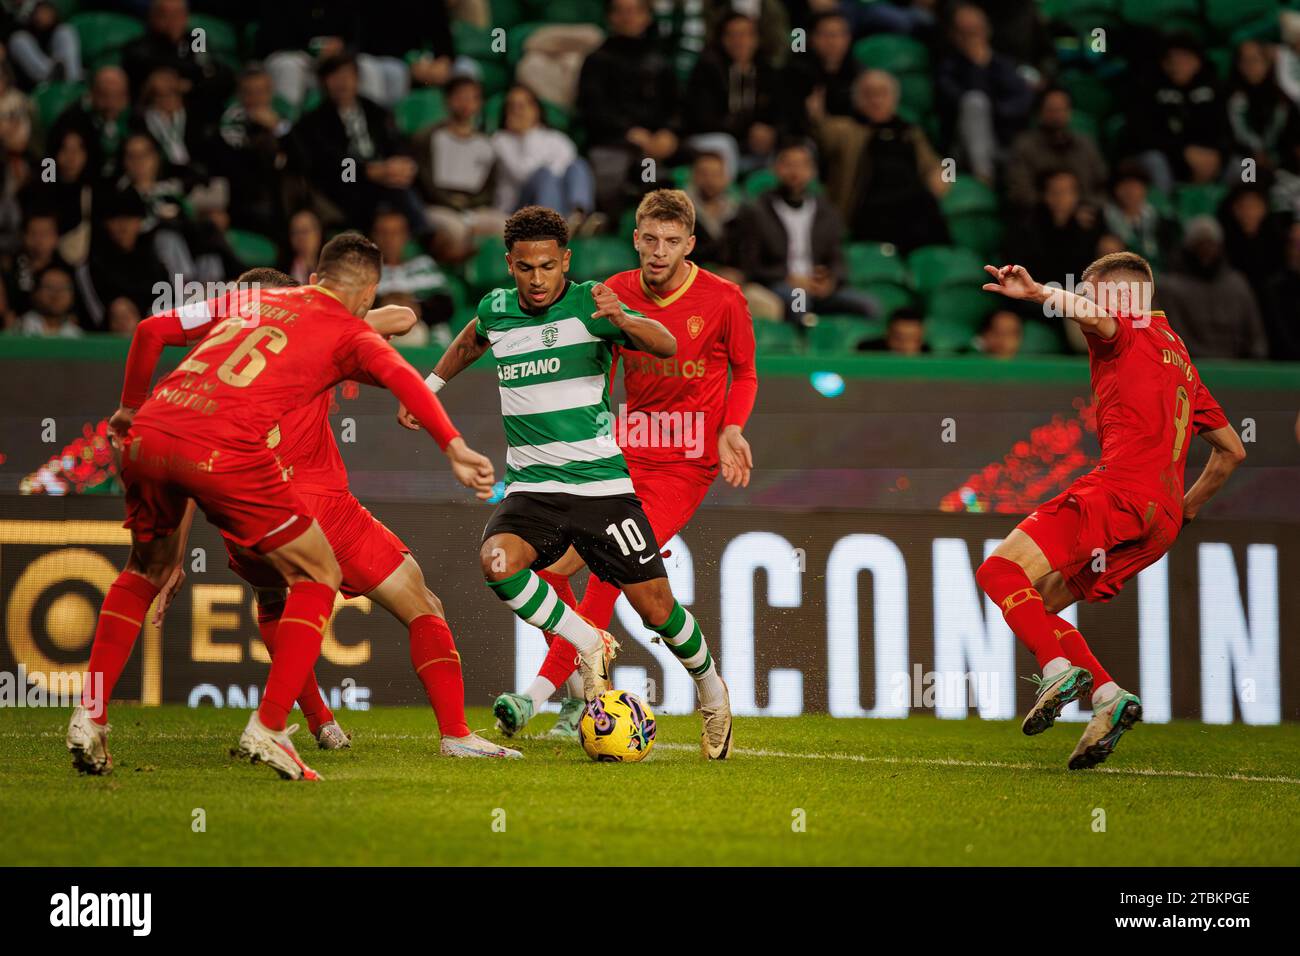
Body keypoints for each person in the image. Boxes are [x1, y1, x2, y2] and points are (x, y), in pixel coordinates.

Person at [65, 233, 496, 780]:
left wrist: (129, 408)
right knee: (329, 577)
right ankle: (283, 728)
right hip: (269, 479)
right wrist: (453, 445)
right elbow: (399, 355)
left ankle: (92, 713)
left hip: (156, 432)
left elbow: (150, 330)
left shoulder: (247, 307)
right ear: (359, 291)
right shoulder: (335, 330)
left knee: (154, 574)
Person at [398, 205, 737, 758]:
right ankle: (587, 640)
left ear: (566, 263)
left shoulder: (591, 304)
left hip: (602, 490)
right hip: (533, 491)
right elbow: (470, 340)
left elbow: (666, 344)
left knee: (656, 609)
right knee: (497, 563)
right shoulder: (497, 310)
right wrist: (429, 385)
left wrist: (624, 318)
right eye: (526, 267)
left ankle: (711, 690)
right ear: (509, 264)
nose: (537, 279)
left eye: (548, 267)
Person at [978, 251, 1245, 768]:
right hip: (1160, 520)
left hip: (1120, 490)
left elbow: (1092, 315)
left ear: (1122, 295)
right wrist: (1180, 514)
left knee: (999, 570)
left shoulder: (1124, 323)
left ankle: (1056, 670)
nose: (1088, 301)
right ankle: (1106, 695)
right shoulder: (1180, 356)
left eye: (1092, 290)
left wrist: (1037, 295)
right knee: (1043, 602)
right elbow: (1232, 451)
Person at [736, 140, 877, 325]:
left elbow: (837, 258)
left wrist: (830, 280)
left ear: (812, 171)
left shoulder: (827, 212)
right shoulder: (758, 212)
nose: (795, 172)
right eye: (788, 164)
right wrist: (787, 277)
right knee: (799, 304)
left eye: (802, 165)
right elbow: (750, 264)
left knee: (870, 307)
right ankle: (804, 346)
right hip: (783, 284)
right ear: (776, 169)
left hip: (819, 287)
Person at [1157, 216, 1269, 360]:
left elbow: (1256, 338)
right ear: (1188, 248)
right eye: (1200, 244)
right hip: (1189, 368)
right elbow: (1171, 339)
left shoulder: (1237, 285)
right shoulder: (1169, 288)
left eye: (1211, 244)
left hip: (1237, 367)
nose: (1206, 251)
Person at [490, 84, 593, 218]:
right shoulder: (500, 140)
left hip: (559, 202)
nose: (516, 111)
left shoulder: (556, 138)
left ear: (536, 110)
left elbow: (568, 167)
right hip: (517, 207)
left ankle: (578, 216)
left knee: (578, 165)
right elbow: (522, 174)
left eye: (522, 106)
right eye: (511, 107)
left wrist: (549, 170)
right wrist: (528, 133)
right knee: (545, 176)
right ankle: (553, 225)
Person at [1005, 87, 1107, 212]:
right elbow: (1020, 193)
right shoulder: (1024, 145)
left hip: (1086, 214)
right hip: (1041, 216)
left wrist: (1086, 207)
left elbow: (1102, 184)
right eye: (1051, 109)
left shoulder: (1085, 144)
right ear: (1040, 113)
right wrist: (1059, 205)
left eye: (1062, 109)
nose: (1057, 115)